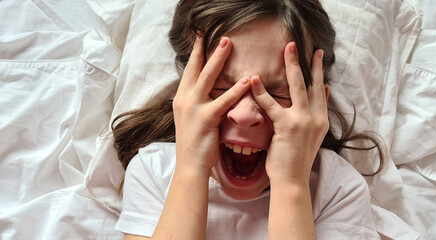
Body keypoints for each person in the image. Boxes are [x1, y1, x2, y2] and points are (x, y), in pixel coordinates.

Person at [112, 0, 384, 239]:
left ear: (317, 108)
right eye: (220, 88)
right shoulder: (154, 172)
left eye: (279, 93)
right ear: (184, 97)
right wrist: (191, 167)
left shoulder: (337, 189)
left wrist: (290, 182)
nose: (244, 115)